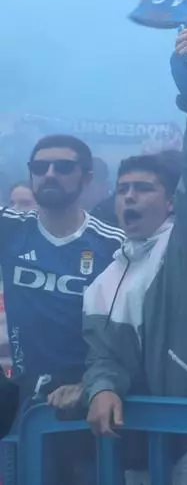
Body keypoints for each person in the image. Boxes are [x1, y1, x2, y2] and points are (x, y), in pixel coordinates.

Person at [82, 30, 187, 484]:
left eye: (143, 188)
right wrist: (101, 388)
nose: (130, 197)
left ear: (170, 202)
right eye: (123, 189)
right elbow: (101, 358)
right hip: (131, 445)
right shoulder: (104, 279)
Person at [0, 136, 124, 409]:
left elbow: (131, 333)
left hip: (84, 399)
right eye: (40, 167)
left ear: (87, 178)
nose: (49, 174)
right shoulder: (10, 227)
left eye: (63, 168)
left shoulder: (115, 244)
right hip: (20, 394)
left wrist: (95, 384)